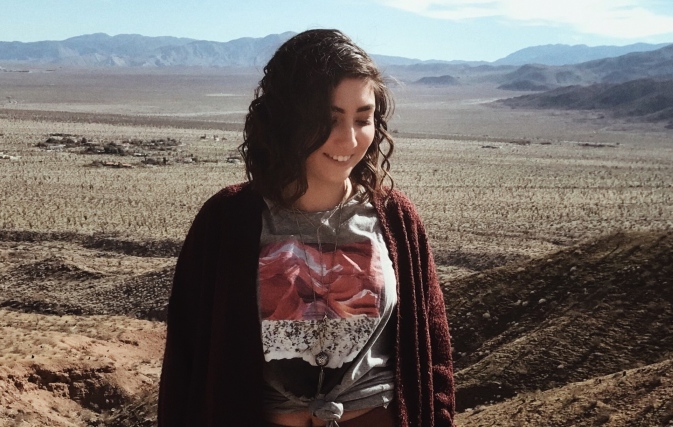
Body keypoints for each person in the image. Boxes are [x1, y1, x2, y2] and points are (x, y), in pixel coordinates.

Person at [157, 29, 456, 427]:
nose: (349, 139)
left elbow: (433, 351)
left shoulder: (396, 219)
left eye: (363, 119)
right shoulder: (227, 221)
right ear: (287, 118)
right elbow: (186, 360)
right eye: (328, 120)